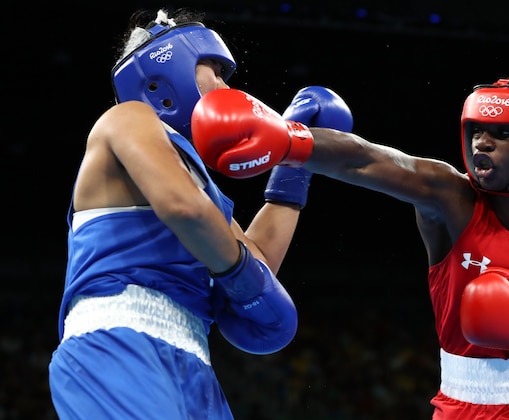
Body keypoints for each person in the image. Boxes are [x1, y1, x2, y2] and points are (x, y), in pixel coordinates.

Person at [192, 79, 509, 418]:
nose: (482, 142)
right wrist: (289, 141)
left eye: (503, 133)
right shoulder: (451, 199)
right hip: (464, 407)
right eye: (476, 130)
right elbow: (369, 159)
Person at [47, 8, 323, 419]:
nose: (226, 86)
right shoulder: (128, 118)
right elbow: (189, 215)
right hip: (118, 340)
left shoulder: (197, 184)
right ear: (167, 69)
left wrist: (293, 167)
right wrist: (242, 273)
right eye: (216, 70)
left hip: (194, 361)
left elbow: (254, 265)